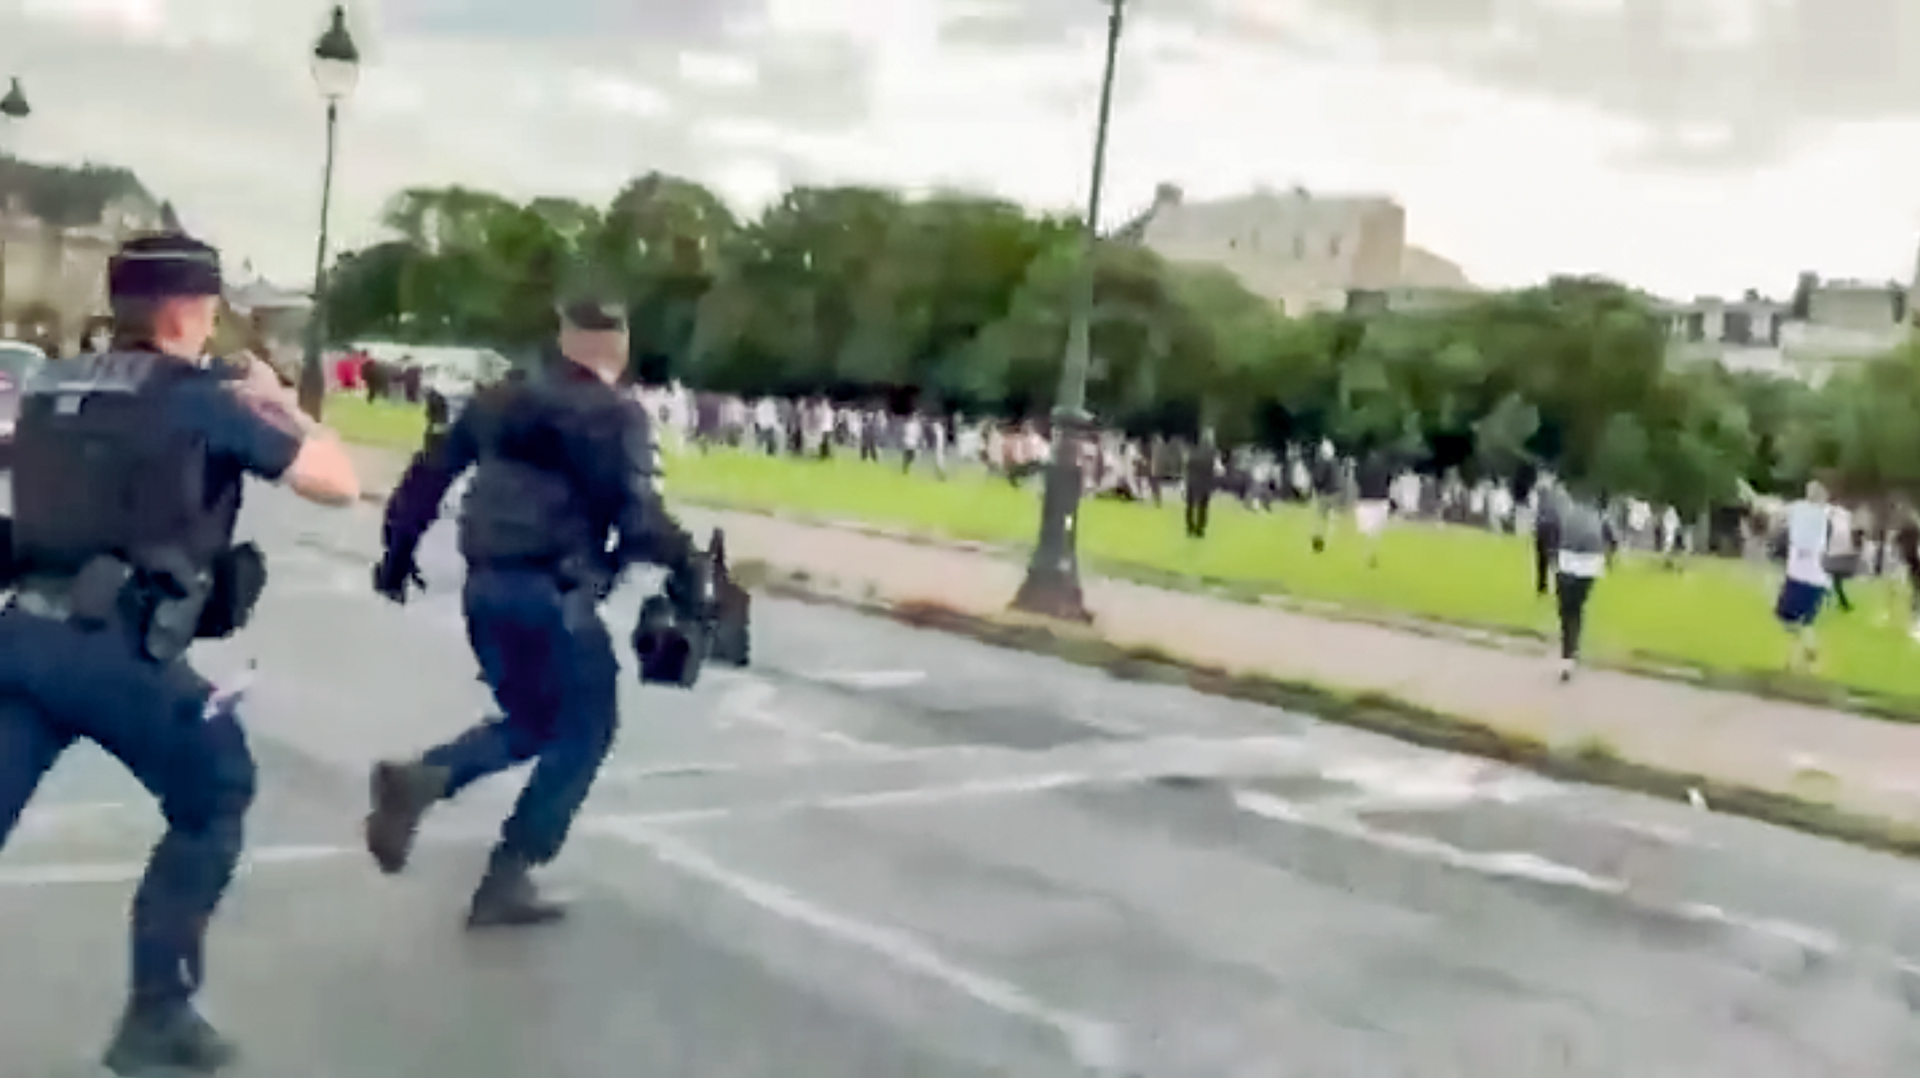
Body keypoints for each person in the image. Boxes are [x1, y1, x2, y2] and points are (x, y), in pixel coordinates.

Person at [0, 233, 360, 1074]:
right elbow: (337, 482)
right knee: (217, 788)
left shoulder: (50, 384)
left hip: (22, 635)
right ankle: (157, 1015)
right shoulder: (199, 399)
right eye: (208, 310)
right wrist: (282, 406)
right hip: (119, 650)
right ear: (183, 312)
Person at [362, 291, 707, 928]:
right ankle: (510, 870)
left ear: (562, 336)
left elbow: (428, 474)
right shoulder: (618, 415)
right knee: (587, 727)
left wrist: (396, 554)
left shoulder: (499, 399)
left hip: (486, 586)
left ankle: (426, 779)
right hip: (556, 592)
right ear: (621, 344)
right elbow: (641, 521)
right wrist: (691, 568)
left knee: (532, 718)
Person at [1551, 484, 1615, 681]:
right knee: (1575, 608)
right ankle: (1571, 651)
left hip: (1568, 561)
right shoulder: (1599, 515)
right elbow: (1612, 540)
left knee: (1567, 610)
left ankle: (1568, 653)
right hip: (1588, 563)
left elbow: (1552, 534)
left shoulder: (1566, 510)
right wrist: (1609, 558)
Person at [1777, 480, 1833, 671]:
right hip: (1814, 577)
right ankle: (1799, 658)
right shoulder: (1825, 514)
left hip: (1799, 575)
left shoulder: (1801, 509)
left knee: (1791, 621)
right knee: (1803, 622)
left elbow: (1779, 513)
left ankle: (1803, 654)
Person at [1352, 449, 1394, 568]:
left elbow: (1357, 480)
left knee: (1366, 531)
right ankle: (1373, 554)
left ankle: (1366, 554)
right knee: (1376, 531)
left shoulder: (1362, 467)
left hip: (1365, 500)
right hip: (1380, 500)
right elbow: (1389, 481)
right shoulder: (1385, 467)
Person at [1184, 430, 1220, 539]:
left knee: (1190, 505)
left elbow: (1187, 464)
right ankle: (1200, 528)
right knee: (1202, 506)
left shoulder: (1192, 449)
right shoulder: (1213, 452)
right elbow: (1217, 468)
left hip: (1192, 480)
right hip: (1205, 482)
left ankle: (1190, 526)